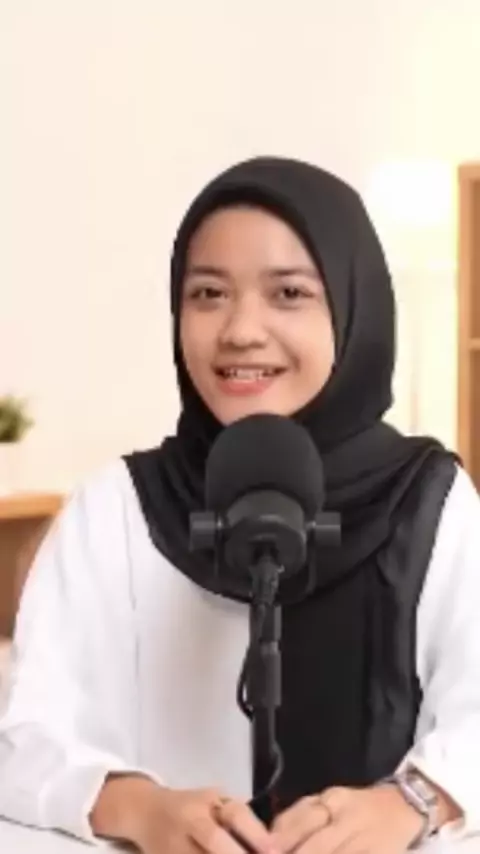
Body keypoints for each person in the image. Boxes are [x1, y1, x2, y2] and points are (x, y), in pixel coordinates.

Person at [0, 156, 479, 854]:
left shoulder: (429, 499)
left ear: (355, 308)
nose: (241, 330)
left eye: (288, 293)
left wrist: (411, 801)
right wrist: (141, 808)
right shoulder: (116, 507)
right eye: (208, 293)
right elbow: (27, 738)